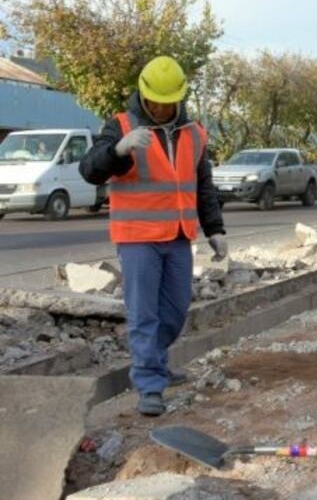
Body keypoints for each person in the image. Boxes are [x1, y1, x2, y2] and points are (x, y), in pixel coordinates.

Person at [79, 56, 226, 417]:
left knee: (174, 313)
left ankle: (154, 363)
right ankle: (149, 385)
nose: (160, 108)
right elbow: (90, 170)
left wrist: (215, 229)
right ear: (143, 95)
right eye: (154, 101)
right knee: (144, 314)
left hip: (178, 236)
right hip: (137, 237)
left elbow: (202, 185)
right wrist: (117, 150)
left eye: (167, 102)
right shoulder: (121, 126)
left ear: (179, 97)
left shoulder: (194, 133)